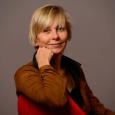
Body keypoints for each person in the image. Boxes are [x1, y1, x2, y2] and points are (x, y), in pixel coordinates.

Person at [14, 4, 115, 115]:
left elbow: (96, 108)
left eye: (60, 29)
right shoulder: (24, 74)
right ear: (36, 39)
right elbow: (56, 100)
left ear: (68, 33)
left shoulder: (74, 69)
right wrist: (44, 63)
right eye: (46, 30)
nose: (55, 36)